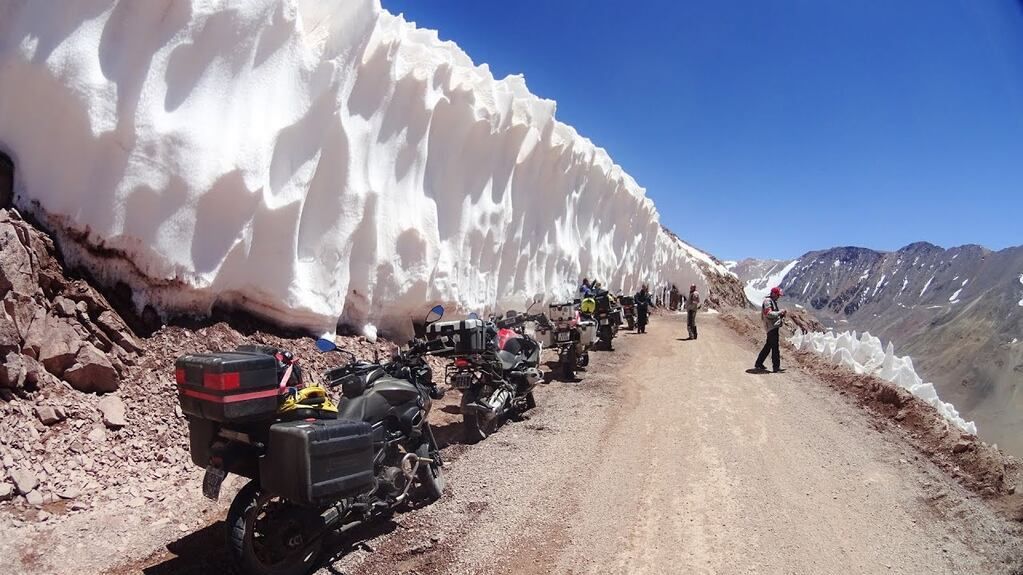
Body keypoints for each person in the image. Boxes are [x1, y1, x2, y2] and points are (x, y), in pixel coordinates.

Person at [754, 287, 787, 373]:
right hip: (771, 327)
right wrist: (780, 312)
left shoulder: (771, 301)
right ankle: (776, 367)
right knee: (775, 347)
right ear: (774, 294)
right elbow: (768, 313)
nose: (778, 297)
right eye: (778, 295)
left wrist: (780, 315)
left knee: (768, 346)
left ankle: (759, 363)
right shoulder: (768, 302)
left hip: (772, 327)